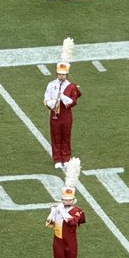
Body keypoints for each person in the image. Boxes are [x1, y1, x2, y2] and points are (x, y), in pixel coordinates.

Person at [45, 159, 86, 258]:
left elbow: (73, 222)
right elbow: (49, 224)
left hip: (71, 241)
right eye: (64, 199)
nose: (66, 202)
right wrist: (52, 213)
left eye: (69, 200)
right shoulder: (58, 209)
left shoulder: (76, 210)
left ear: (73, 200)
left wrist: (62, 212)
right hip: (58, 240)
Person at [44, 39, 82, 168]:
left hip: (66, 113)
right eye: (60, 74)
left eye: (64, 74)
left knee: (66, 136)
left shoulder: (70, 86)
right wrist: (54, 103)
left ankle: (66, 157)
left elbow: (73, 101)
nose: (62, 76)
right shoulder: (51, 84)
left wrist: (63, 97)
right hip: (55, 112)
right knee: (56, 136)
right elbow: (46, 99)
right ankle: (57, 159)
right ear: (57, 73)